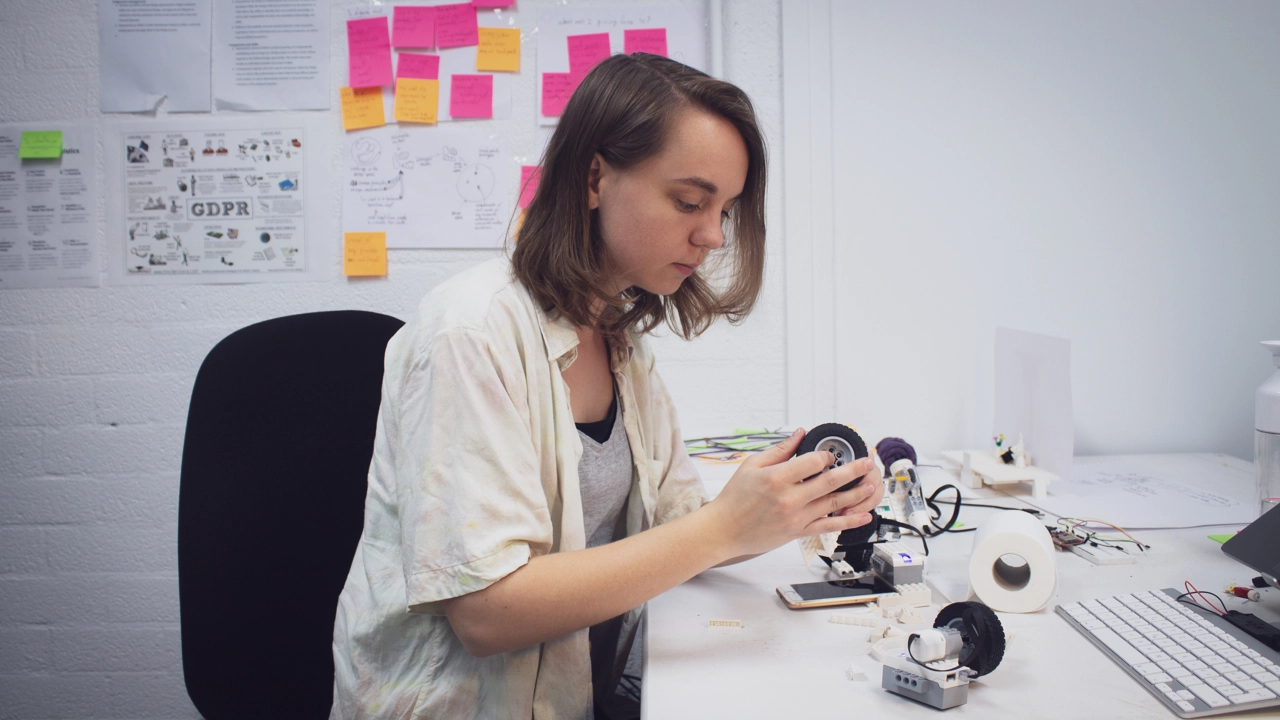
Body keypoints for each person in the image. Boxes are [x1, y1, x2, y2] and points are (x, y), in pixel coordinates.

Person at [329, 53, 885, 720]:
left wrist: (792, 506)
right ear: (595, 177)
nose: (711, 235)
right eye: (689, 201)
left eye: (726, 210)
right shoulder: (470, 334)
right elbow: (486, 611)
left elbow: (681, 525)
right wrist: (720, 529)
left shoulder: (621, 341)